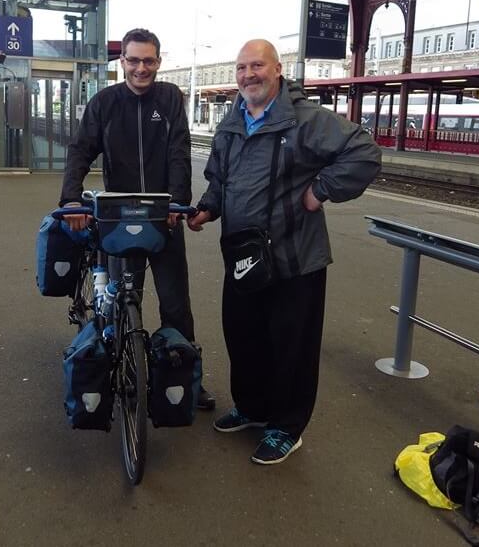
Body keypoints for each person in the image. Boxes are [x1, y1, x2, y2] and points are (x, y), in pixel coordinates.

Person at [188, 39, 381, 464]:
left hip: (295, 259)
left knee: (291, 345)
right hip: (243, 255)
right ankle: (254, 408)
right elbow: (219, 178)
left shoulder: (306, 120)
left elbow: (363, 152)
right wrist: (208, 208)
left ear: (277, 69)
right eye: (241, 67)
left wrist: (319, 191)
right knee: (244, 336)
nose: (247, 75)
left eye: (257, 65)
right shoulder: (231, 124)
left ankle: (287, 427)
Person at [60, 27, 215, 410]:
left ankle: (183, 378)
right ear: (122, 62)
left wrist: (179, 203)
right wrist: (70, 201)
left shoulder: (170, 98)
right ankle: (114, 369)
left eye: (148, 60)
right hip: (117, 217)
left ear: (158, 62)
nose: (141, 68)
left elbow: (179, 151)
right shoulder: (105, 103)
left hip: (163, 218)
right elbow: (80, 151)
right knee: (120, 300)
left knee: (176, 304)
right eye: (133, 60)